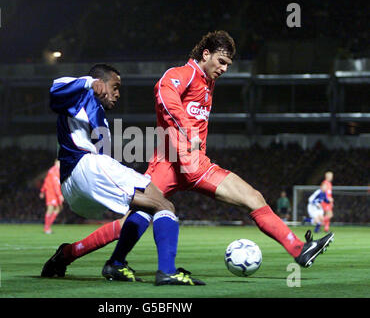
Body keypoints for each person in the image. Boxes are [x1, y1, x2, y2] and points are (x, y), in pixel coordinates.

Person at [56, 31, 334, 271]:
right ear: (205, 53)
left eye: (228, 64)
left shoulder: (208, 84)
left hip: (197, 166)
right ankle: (77, 254)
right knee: (135, 218)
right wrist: (188, 130)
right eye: (221, 61)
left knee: (253, 197)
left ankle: (299, 249)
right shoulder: (182, 74)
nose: (224, 68)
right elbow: (164, 94)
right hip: (168, 163)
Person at [40, 64, 204, 286]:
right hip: (83, 168)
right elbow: (54, 89)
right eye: (115, 87)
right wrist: (89, 82)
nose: (117, 93)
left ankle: (91, 258)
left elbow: (104, 156)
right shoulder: (82, 95)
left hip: (75, 189)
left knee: (148, 202)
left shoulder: (98, 116)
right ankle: (167, 271)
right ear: (101, 82)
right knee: (165, 206)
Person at [40, 159, 64, 234]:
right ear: (56, 162)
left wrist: (42, 191)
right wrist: (59, 195)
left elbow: (46, 180)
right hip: (51, 192)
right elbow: (55, 184)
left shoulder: (52, 170)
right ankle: (47, 228)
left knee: (59, 208)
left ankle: (48, 227)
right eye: (60, 162)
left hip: (51, 191)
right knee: (51, 208)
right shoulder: (55, 171)